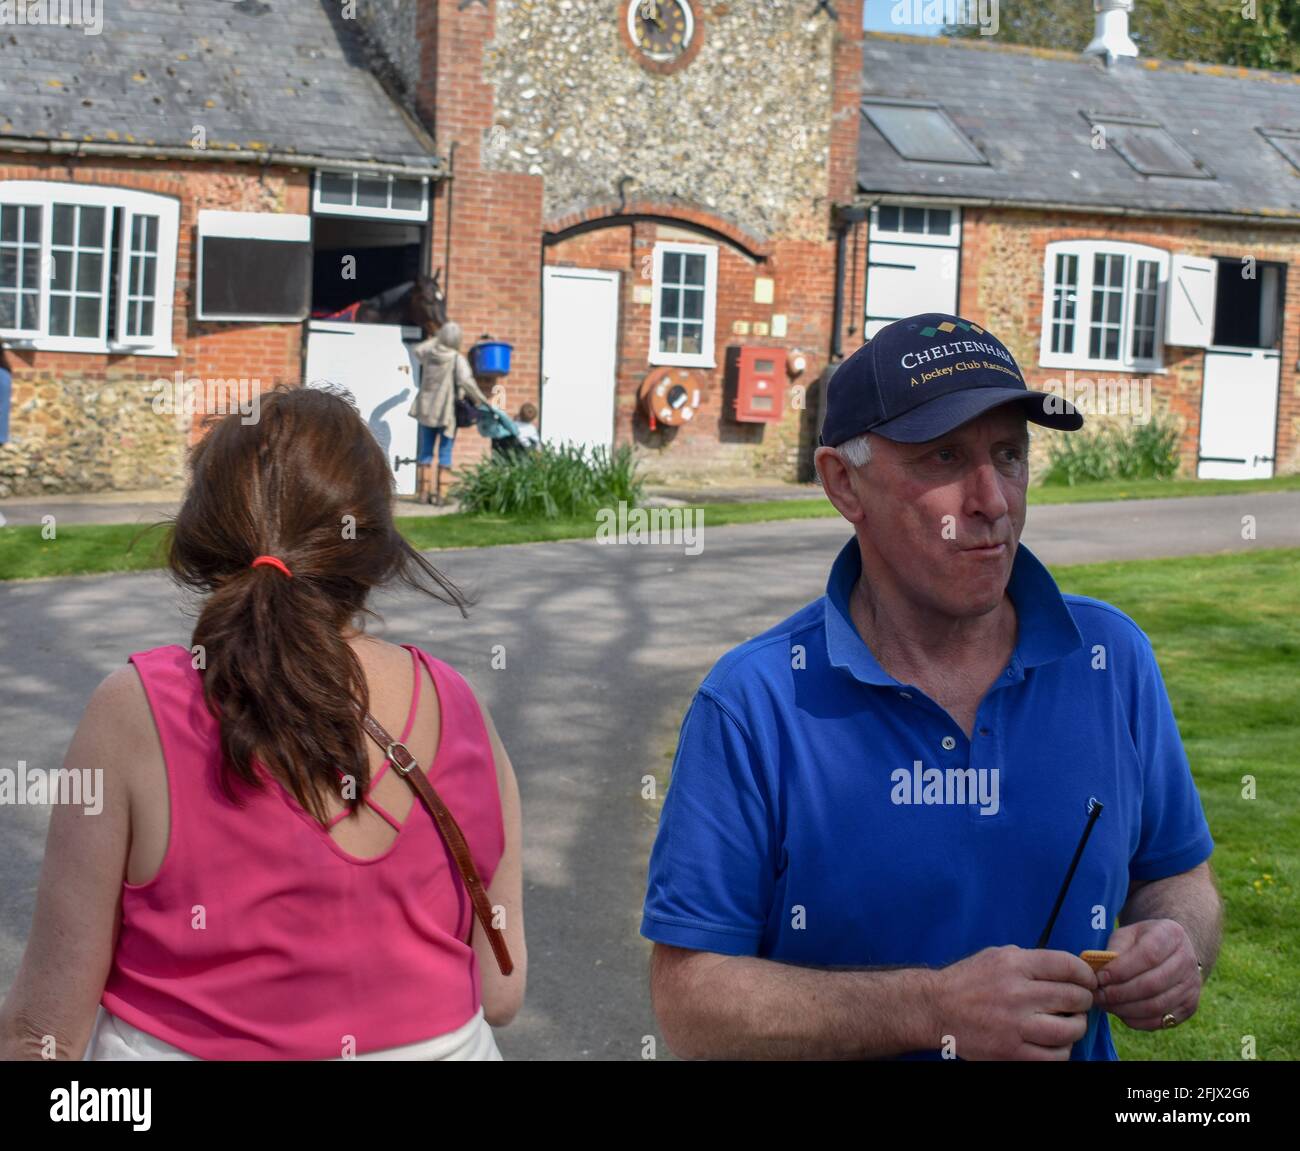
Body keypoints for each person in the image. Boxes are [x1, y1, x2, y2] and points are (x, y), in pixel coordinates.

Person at [641, 312, 1220, 1061]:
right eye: (944, 457)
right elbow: (690, 1003)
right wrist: (930, 1009)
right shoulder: (754, 703)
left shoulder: (1111, 658)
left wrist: (1179, 943)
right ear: (843, 482)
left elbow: (1179, 874)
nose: (992, 500)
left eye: (1009, 455)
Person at [0, 384, 526, 1060]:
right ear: (374, 546)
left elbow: (43, 1034)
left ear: (204, 533)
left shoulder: (135, 710)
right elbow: (500, 992)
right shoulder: (459, 706)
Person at [409, 319, 491, 506]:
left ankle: (423, 494)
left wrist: (437, 339)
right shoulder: (456, 358)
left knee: (425, 452)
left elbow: (417, 350)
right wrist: (481, 400)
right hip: (447, 412)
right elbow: (467, 382)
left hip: (426, 409)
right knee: (445, 452)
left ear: (441, 336)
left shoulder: (429, 354)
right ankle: (441, 496)